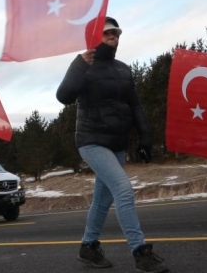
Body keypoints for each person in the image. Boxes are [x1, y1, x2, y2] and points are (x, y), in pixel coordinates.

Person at [56, 17, 168, 273]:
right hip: (91, 141)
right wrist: (78, 64)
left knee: (102, 200)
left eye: (116, 32)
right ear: (95, 37)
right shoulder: (84, 66)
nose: (113, 36)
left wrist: (146, 137)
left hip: (117, 143)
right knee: (124, 190)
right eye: (107, 32)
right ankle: (140, 252)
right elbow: (63, 96)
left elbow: (135, 105)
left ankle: (88, 247)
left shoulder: (123, 69)